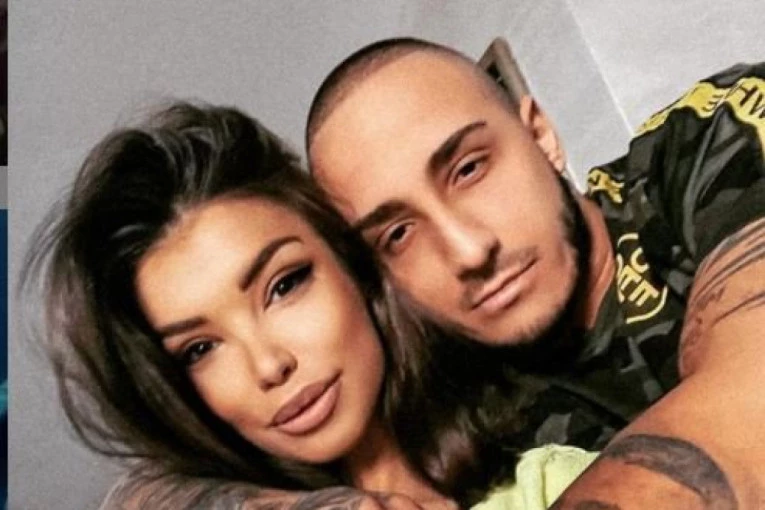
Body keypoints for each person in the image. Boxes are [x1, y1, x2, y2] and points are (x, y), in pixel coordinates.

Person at [23, 101, 597, 510]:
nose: (268, 364)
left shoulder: (552, 451)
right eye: (199, 349)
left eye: (284, 285)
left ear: (350, 259)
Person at [305, 39, 765, 508]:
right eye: (399, 234)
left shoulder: (713, 139)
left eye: (469, 170)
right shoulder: (470, 430)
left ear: (541, 136)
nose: (469, 252)